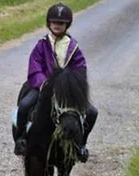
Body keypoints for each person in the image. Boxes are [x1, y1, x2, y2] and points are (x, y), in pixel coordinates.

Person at [12, 3, 98, 162]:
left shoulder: (73, 48)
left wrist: (71, 84)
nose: (57, 25)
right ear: (48, 23)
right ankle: (20, 139)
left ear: (67, 24)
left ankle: (82, 144)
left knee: (92, 112)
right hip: (42, 87)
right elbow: (34, 67)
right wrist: (44, 83)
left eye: (61, 23)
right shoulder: (41, 45)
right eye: (54, 22)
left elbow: (80, 69)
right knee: (24, 106)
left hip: (66, 91)